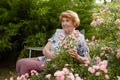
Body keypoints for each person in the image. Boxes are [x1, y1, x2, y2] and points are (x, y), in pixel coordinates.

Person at [16, 10, 90, 77]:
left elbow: (87, 59)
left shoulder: (79, 38)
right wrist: (51, 55)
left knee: (24, 63)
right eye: (63, 21)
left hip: (57, 66)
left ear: (74, 23)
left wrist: (77, 57)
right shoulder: (58, 33)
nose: (64, 23)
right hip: (46, 60)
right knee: (20, 62)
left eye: (67, 21)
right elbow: (45, 50)